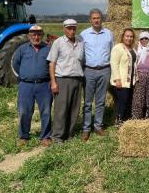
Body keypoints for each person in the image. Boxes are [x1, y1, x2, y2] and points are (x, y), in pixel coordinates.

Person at [12, 25, 52, 147]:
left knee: (45, 112)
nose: (36, 37)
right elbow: (15, 64)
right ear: (29, 36)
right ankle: (24, 136)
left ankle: (45, 136)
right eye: (33, 34)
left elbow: (52, 65)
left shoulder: (48, 48)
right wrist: (25, 76)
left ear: (42, 35)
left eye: (39, 34)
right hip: (26, 85)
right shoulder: (22, 49)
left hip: (44, 85)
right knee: (24, 111)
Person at [47, 19, 85, 143]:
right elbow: (52, 63)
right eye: (69, 28)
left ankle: (69, 134)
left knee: (74, 109)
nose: (72, 30)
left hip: (77, 79)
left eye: (74, 28)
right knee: (61, 109)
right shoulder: (58, 42)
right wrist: (53, 82)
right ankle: (57, 136)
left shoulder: (80, 41)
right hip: (63, 79)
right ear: (64, 28)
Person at [80, 8, 114, 139]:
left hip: (105, 70)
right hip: (89, 71)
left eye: (98, 18)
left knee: (100, 101)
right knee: (88, 102)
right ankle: (86, 128)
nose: (96, 20)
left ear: (102, 19)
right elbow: (81, 54)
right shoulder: (84, 34)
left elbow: (112, 51)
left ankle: (98, 126)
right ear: (90, 20)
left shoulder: (109, 34)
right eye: (94, 18)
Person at [110, 28, 137, 126]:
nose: (129, 38)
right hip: (121, 81)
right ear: (123, 37)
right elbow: (114, 63)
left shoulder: (133, 49)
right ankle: (119, 122)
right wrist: (117, 79)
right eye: (127, 36)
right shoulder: (118, 48)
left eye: (131, 36)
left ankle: (125, 121)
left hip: (130, 81)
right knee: (122, 102)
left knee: (128, 101)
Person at [132, 31, 149, 119]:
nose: (144, 40)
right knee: (138, 99)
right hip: (139, 77)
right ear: (139, 40)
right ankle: (137, 117)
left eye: (146, 38)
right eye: (142, 39)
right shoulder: (136, 51)